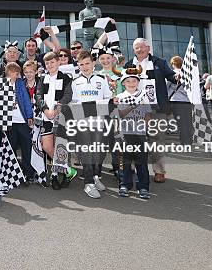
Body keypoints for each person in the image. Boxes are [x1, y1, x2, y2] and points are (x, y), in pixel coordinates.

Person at [124, 38, 178, 184]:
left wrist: (178, 76)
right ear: (133, 49)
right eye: (136, 48)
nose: (139, 50)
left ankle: (159, 171)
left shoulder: (159, 62)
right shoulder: (129, 65)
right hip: (136, 110)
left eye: (142, 47)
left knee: (157, 141)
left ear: (148, 48)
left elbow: (171, 76)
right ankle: (136, 169)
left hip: (157, 109)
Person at [60, 51, 113, 198]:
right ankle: (88, 183)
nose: (84, 67)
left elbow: (108, 99)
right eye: (81, 64)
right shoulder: (75, 82)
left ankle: (95, 177)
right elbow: (71, 102)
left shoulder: (102, 79)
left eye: (87, 63)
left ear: (93, 63)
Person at [35, 51, 76, 190]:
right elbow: (38, 95)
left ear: (58, 62)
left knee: (60, 147)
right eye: (47, 63)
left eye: (52, 62)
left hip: (60, 115)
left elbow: (68, 96)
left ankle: (58, 175)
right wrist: (46, 110)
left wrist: (56, 110)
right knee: (46, 146)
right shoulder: (41, 78)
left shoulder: (66, 78)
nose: (50, 64)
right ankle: (67, 169)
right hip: (46, 115)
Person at [115, 69, 152, 199]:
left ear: (138, 82)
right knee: (124, 162)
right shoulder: (119, 97)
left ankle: (143, 186)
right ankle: (124, 184)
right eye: (128, 81)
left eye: (134, 81)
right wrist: (132, 106)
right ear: (123, 83)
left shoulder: (144, 95)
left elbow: (148, 114)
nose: (131, 83)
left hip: (140, 134)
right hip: (125, 134)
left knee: (141, 162)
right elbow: (118, 115)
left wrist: (148, 128)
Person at [5, 62, 35, 184]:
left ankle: (27, 172)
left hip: (21, 120)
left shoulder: (20, 84)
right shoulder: (2, 83)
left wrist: (29, 116)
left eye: (17, 73)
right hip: (9, 122)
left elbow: (26, 100)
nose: (15, 75)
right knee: (10, 148)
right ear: (8, 72)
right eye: (13, 72)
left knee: (26, 147)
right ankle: (12, 173)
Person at [166, 56, 193, 145]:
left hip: (176, 101)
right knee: (188, 121)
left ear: (173, 63)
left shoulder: (172, 73)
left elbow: (166, 88)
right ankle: (189, 140)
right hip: (188, 101)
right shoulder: (188, 74)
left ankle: (184, 142)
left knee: (181, 123)